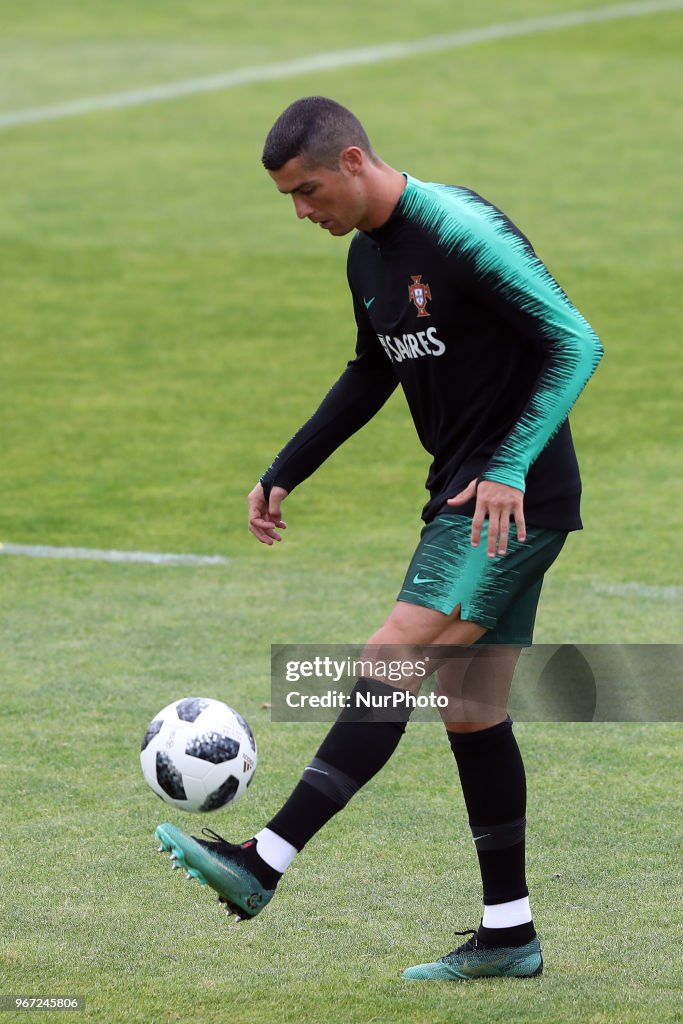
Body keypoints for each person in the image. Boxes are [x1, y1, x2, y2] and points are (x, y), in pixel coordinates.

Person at [155, 96, 603, 982]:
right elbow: (373, 368)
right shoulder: (365, 256)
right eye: (288, 197)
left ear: (354, 160)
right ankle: (508, 934)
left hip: (505, 501)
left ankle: (263, 861)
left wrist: (511, 464)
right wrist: (287, 467)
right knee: (470, 708)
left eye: (309, 189)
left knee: (390, 654)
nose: (301, 211)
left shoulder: (459, 228)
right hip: (469, 495)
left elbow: (575, 341)